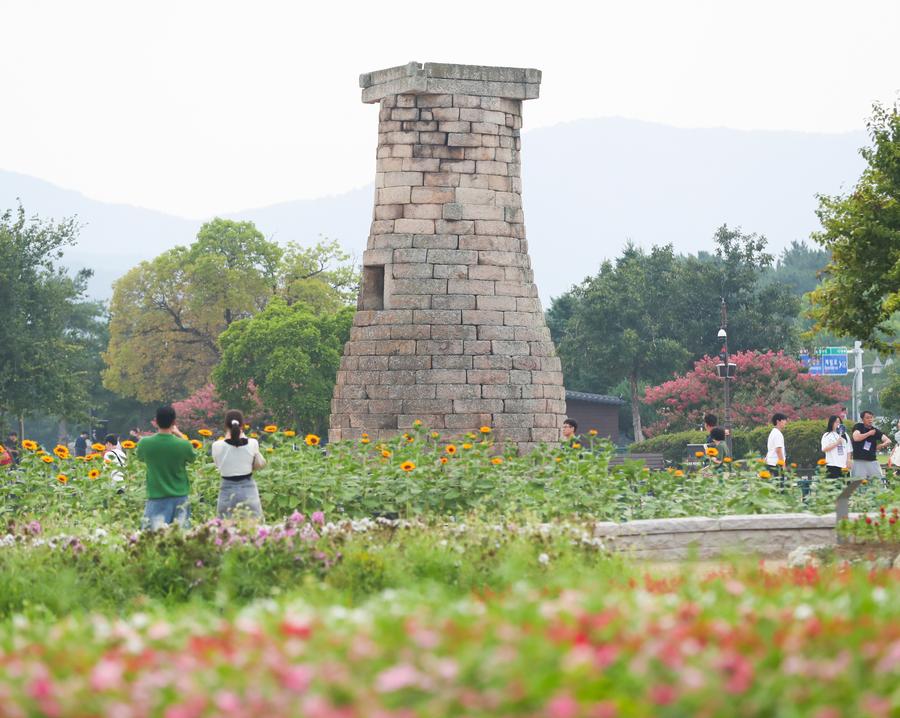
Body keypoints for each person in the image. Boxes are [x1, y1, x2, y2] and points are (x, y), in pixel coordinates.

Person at [135, 405, 196, 529]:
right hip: (180, 498)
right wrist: (179, 434)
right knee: (182, 537)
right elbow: (192, 458)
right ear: (174, 422)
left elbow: (140, 457)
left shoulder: (145, 443)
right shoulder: (184, 445)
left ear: (156, 422)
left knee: (152, 537)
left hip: (156, 498)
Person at [211, 409, 265, 520]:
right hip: (248, 488)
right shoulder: (253, 443)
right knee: (254, 524)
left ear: (226, 425)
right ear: (242, 425)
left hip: (226, 488)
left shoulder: (217, 445)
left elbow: (218, 465)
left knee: (225, 525)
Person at [851, 410, 892, 485]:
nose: (870, 420)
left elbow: (888, 441)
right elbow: (856, 438)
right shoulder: (859, 426)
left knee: (879, 483)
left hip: (872, 460)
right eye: (867, 418)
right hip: (859, 460)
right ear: (862, 419)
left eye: (871, 417)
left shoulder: (875, 431)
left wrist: (881, 445)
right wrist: (869, 433)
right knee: (856, 484)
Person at [821, 415, 851, 479]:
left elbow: (849, 449)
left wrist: (848, 460)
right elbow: (824, 449)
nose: (838, 424)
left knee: (846, 484)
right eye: (836, 422)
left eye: (839, 422)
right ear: (831, 423)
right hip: (832, 465)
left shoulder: (845, 435)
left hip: (844, 466)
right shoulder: (827, 435)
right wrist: (836, 443)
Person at [765, 413, 788, 481]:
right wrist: (783, 465)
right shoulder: (777, 434)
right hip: (777, 465)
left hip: (771, 463)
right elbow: (778, 450)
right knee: (779, 485)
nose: (785, 422)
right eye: (784, 420)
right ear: (778, 421)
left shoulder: (773, 432)